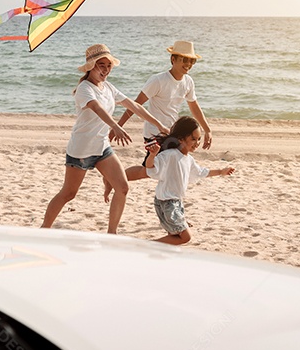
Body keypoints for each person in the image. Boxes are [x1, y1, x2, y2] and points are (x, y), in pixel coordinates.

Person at [41, 44, 169, 234]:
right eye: (101, 65)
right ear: (90, 66)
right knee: (69, 193)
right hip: (81, 149)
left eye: (108, 65)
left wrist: (159, 124)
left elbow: (134, 106)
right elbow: (97, 108)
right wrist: (115, 126)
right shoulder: (85, 88)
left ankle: (112, 233)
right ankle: (44, 229)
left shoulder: (108, 87)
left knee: (123, 187)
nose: (105, 69)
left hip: (102, 148)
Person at [117, 40, 213, 183]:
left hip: (172, 133)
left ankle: (169, 196)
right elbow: (136, 104)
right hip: (154, 133)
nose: (189, 64)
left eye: (192, 61)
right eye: (185, 59)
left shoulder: (188, 82)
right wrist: (119, 126)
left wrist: (207, 130)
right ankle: (115, 179)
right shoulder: (158, 80)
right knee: (148, 171)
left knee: (172, 165)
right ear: (173, 59)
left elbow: (194, 106)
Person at [145, 116, 235, 245]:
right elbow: (151, 167)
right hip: (167, 203)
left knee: (174, 236)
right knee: (185, 237)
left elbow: (201, 172)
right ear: (181, 139)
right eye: (193, 139)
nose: (197, 142)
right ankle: (148, 245)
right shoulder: (170, 155)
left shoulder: (188, 159)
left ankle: (161, 251)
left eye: (198, 139)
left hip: (175, 202)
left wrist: (221, 171)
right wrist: (153, 155)